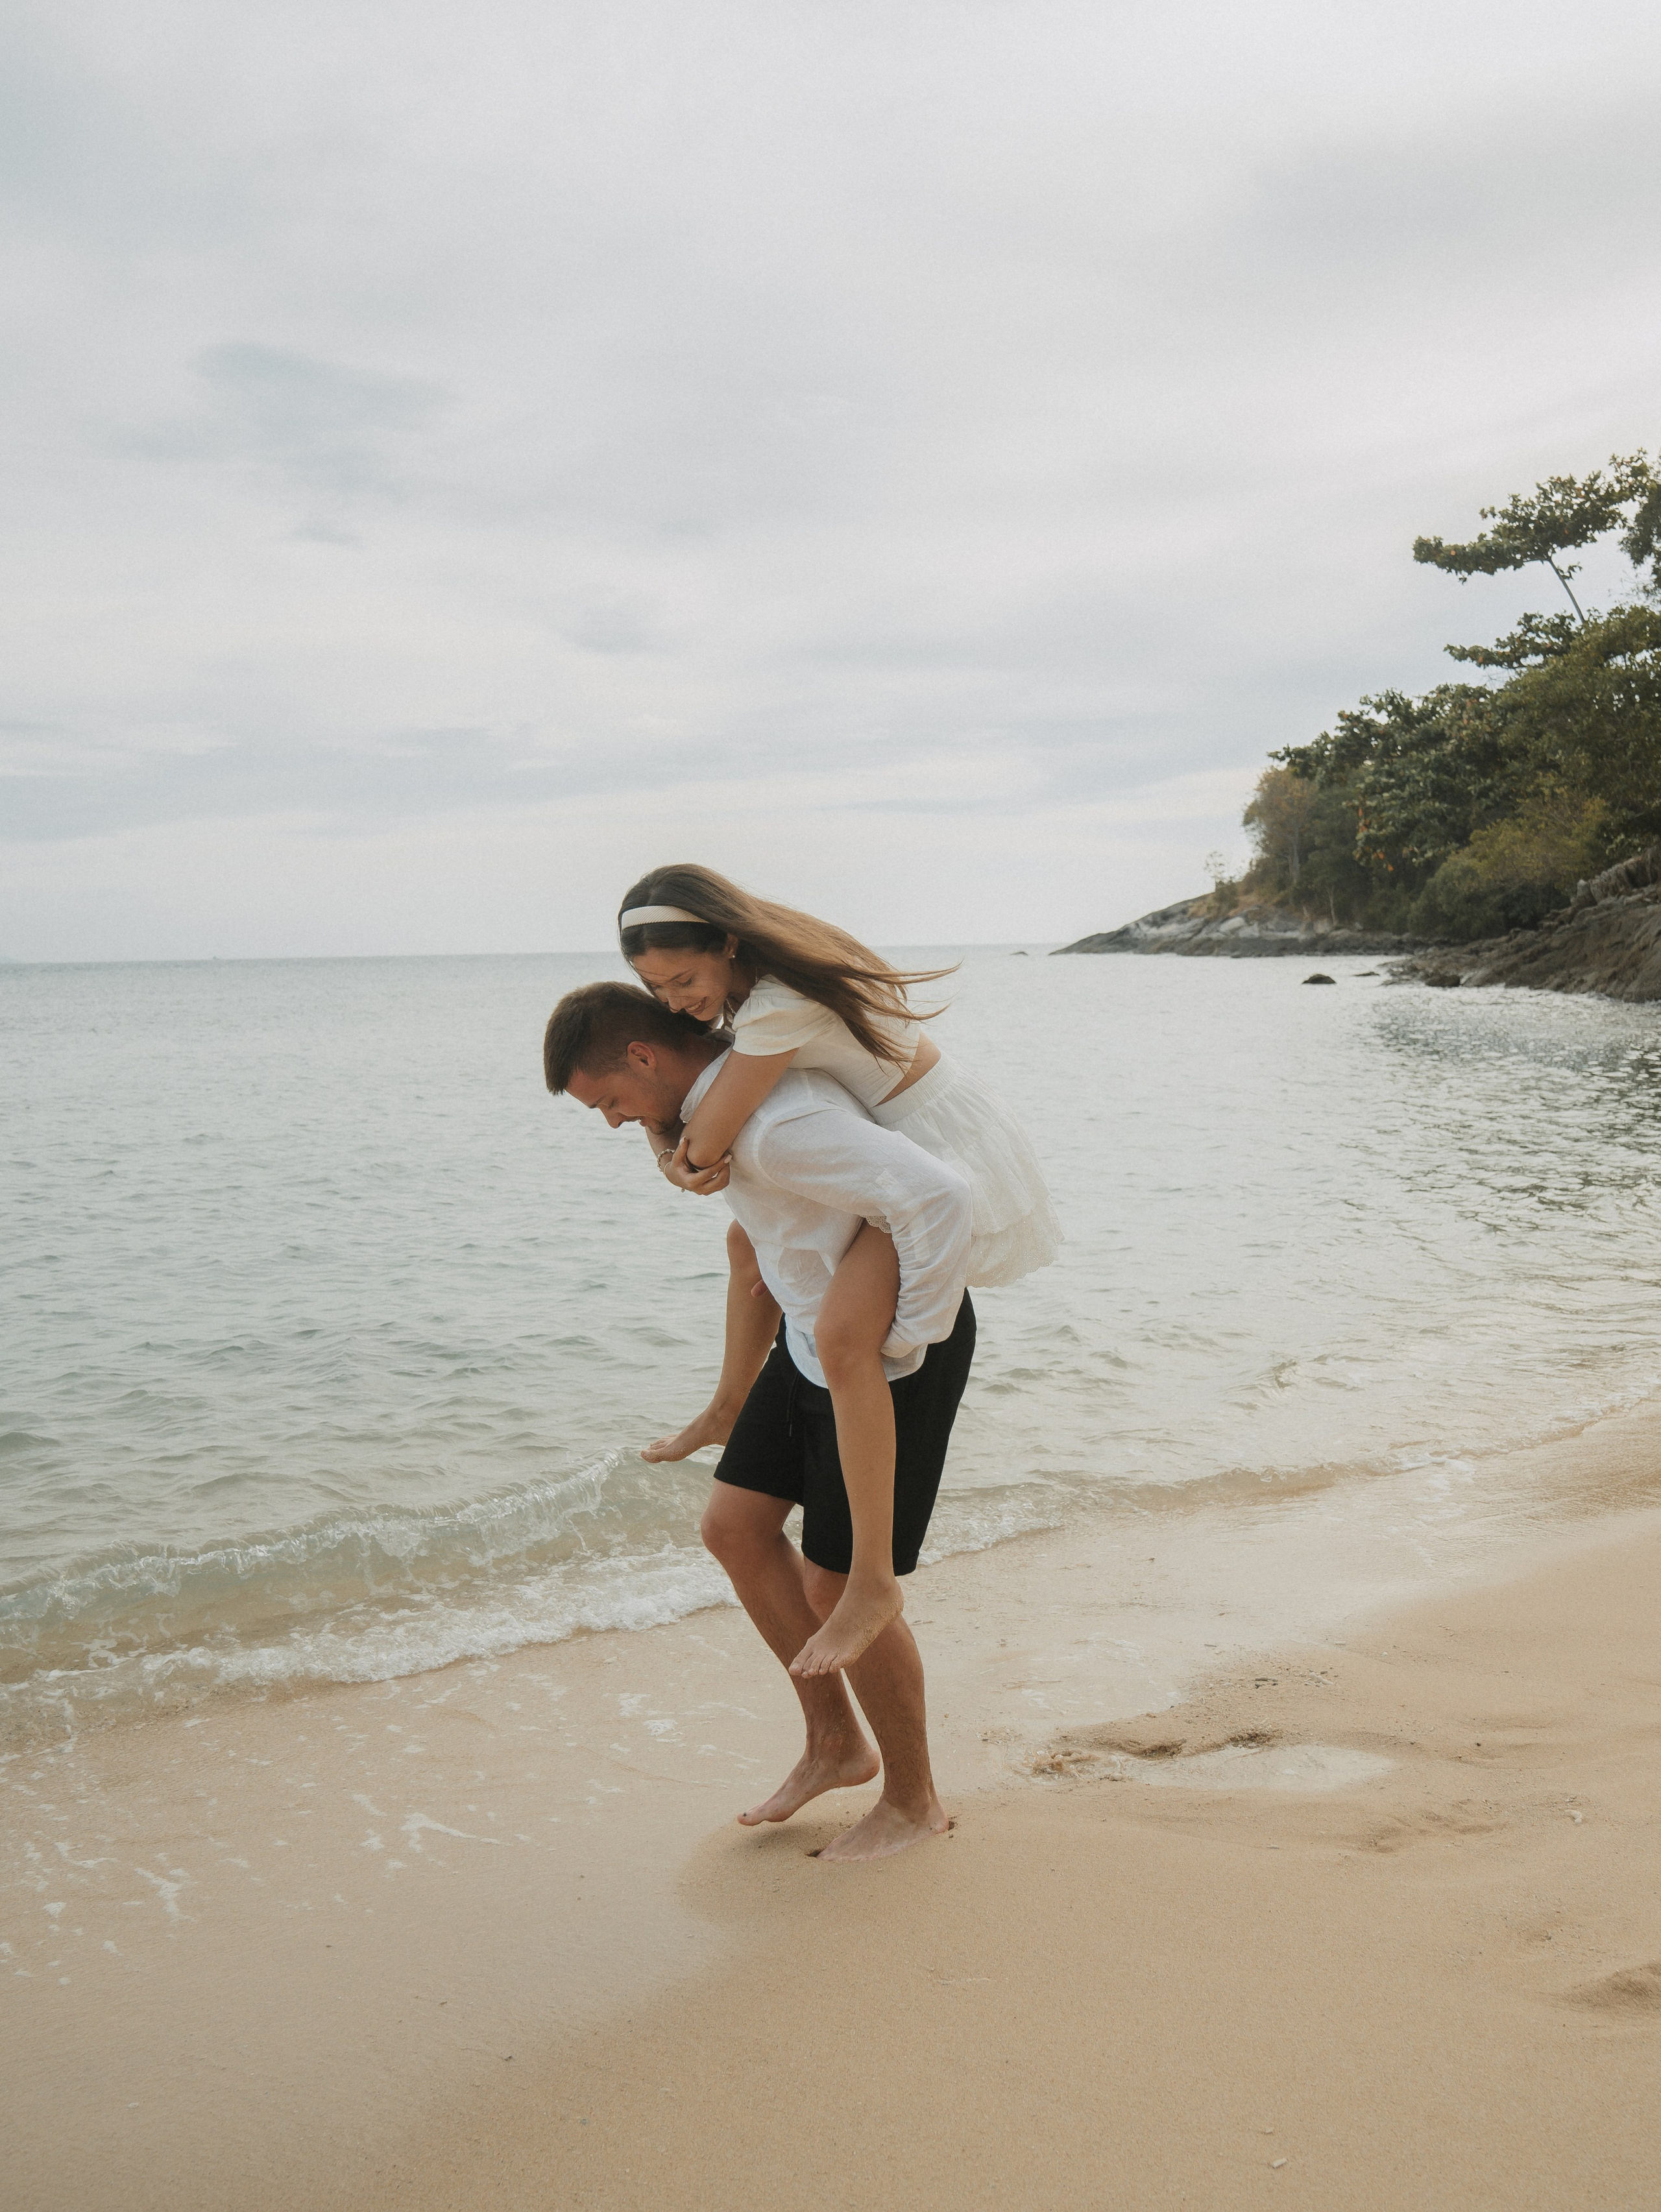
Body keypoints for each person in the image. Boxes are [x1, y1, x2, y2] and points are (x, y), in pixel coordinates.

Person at [544, 980, 975, 1862]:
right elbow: (752, 1252)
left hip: (887, 1352)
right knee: (735, 1526)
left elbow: (941, 1196)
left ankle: (913, 1797)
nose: (617, 1123)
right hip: (813, 1341)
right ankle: (835, 1741)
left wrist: (905, 1339)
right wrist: (727, 1400)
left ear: (642, 1055)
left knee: (836, 1585)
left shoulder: (778, 1125)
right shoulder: (719, 1120)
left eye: (613, 1103)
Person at [616, 862, 1059, 1679]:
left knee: (848, 1340)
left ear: (728, 942)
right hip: (902, 1148)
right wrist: (665, 1143)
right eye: (654, 986)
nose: (674, 1000)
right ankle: (726, 1405)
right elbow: (686, 1113)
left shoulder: (779, 1003)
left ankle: (870, 1580)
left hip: (936, 1159)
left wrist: (673, 1157)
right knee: (747, 1242)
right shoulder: (746, 996)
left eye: (682, 978)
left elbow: (704, 1142)